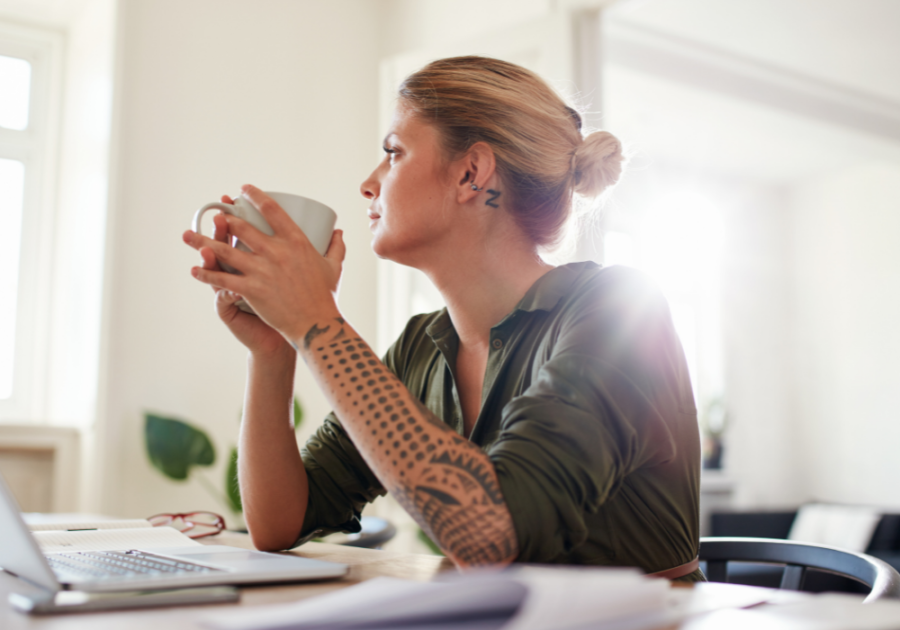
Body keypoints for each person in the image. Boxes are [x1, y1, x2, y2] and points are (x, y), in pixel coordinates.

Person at [182, 56, 702, 581]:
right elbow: (279, 525)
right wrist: (273, 348)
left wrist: (317, 322)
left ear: (471, 174)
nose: (368, 183)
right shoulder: (422, 347)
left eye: (393, 153)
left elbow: (491, 530)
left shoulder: (619, 310)